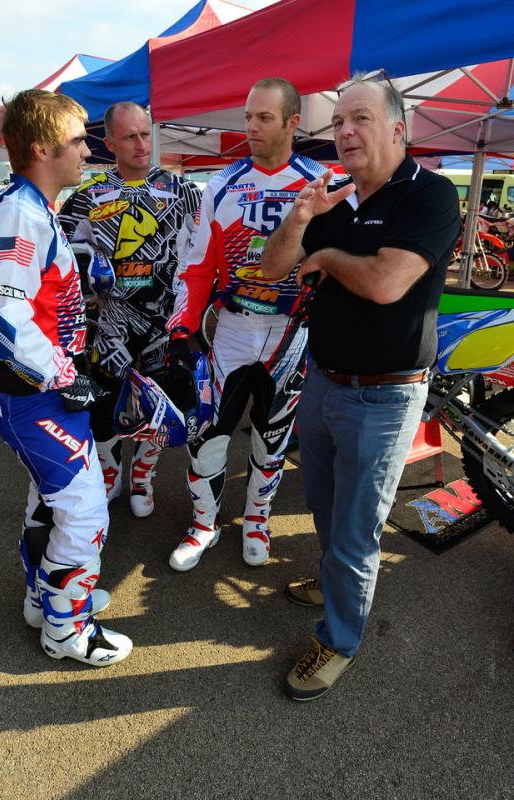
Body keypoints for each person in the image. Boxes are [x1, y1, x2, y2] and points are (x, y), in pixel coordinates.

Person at [261, 75, 461, 700]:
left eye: (362, 119)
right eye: (339, 122)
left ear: (399, 129)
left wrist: (325, 260)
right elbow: (272, 267)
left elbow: (385, 283)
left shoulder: (428, 196)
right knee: (320, 501)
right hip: (323, 381)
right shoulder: (332, 200)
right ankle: (334, 580)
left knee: (354, 527)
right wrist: (300, 219)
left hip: (387, 392)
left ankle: (340, 639)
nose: (346, 131)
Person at [0, 89, 132, 667]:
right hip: (33, 395)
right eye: (79, 139)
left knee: (51, 499)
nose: (89, 149)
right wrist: (62, 374)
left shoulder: (36, 209)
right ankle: (67, 629)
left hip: (46, 392)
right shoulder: (18, 212)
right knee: (85, 510)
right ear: (41, 147)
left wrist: (83, 268)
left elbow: (28, 296)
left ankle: (46, 599)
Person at [165, 77, 327, 572]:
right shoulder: (221, 185)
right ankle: (204, 525)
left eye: (263, 118)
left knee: (272, 435)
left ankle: (257, 520)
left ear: (292, 123)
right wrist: (183, 327)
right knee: (207, 434)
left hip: (289, 333)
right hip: (232, 329)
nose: (250, 127)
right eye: (247, 117)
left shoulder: (321, 183)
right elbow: (197, 266)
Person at [59, 102, 201, 518]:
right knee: (103, 407)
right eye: (129, 137)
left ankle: (143, 474)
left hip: (164, 324)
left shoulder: (183, 191)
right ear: (110, 143)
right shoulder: (88, 196)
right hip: (111, 326)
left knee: (157, 406)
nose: (141, 144)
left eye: (145, 134)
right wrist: (87, 273)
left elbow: (204, 253)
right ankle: (109, 470)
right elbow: (59, 255)